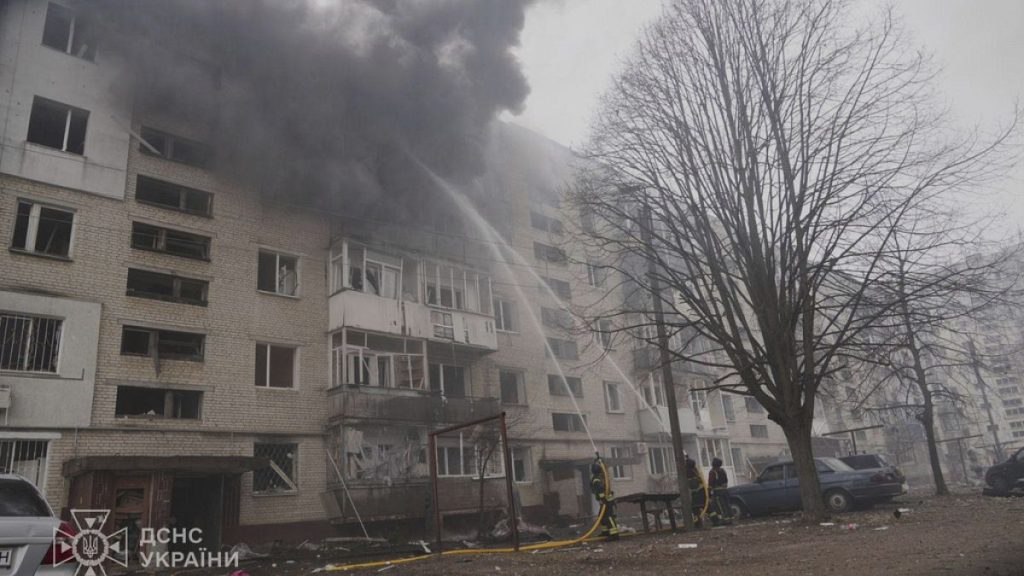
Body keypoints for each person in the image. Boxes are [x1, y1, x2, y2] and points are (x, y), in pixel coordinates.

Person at [590, 456, 620, 539]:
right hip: (606, 500)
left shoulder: (597, 479)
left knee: (608, 517)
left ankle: (614, 534)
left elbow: (600, 491)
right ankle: (606, 532)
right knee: (602, 516)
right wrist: (598, 459)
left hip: (606, 501)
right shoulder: (602, 477)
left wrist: (602, 500)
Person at [707, 457, 733, 525]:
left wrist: (709, 493)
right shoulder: (722, 470)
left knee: (720, 506)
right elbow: (726, 480)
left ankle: (724, 520)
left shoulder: (712, 472)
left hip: (717, 493)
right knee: (727, 505)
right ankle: (730, 519)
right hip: (725, 491)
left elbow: (711, 483)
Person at [685, 455, 705, 527]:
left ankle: (698, 523)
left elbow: (689, 484)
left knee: (695, 509)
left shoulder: (688, 472)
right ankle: (699, 522)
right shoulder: (695, 471)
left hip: (695, 493)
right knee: (701, 508)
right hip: (700, 492)